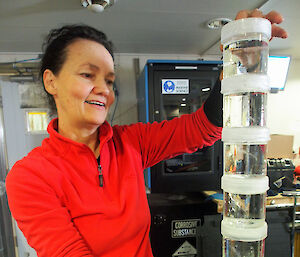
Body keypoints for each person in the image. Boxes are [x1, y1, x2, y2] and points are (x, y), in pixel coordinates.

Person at [5, 9, 287, 257]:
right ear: (51, 81)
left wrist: (236, 64)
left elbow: (201, 128)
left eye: (109, 80)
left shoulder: (130, 143)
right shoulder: (30, 177)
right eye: (88, 75)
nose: (104, 90)